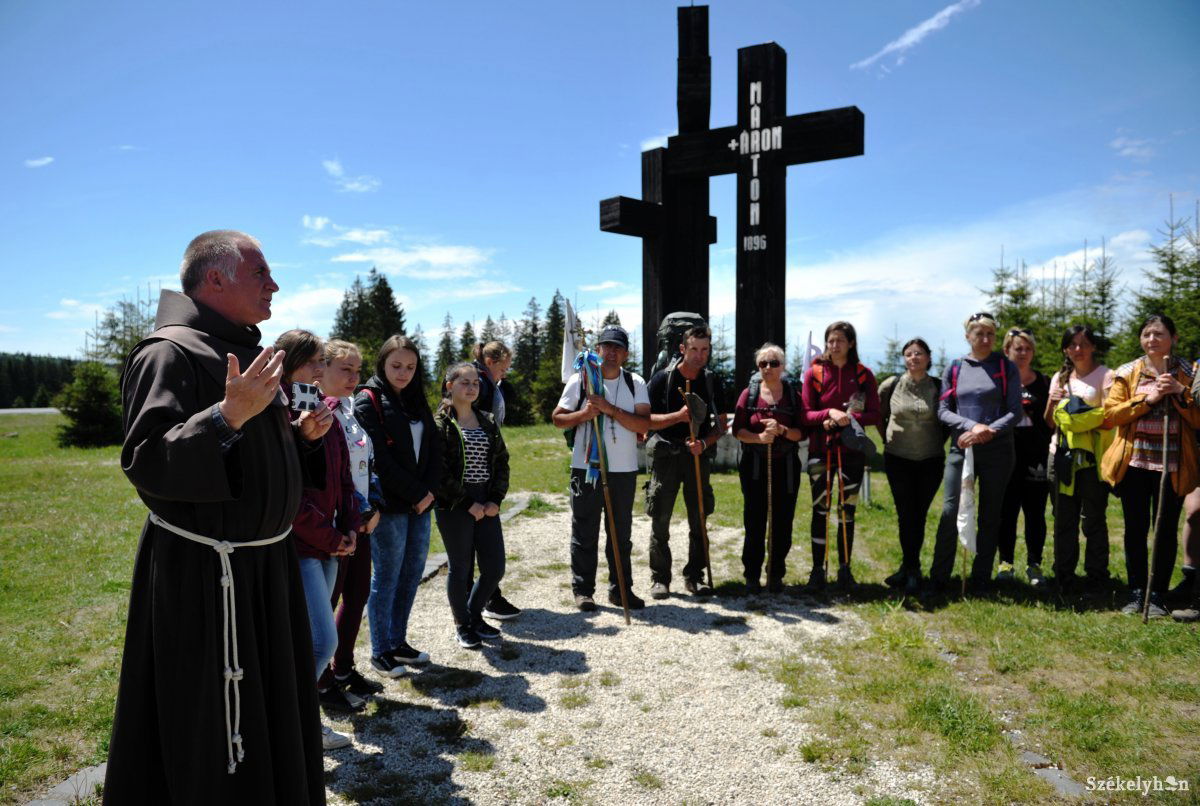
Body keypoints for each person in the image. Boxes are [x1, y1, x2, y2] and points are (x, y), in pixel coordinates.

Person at [105, 231, 331, 804]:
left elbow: (250, 460)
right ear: (215, 279)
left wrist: (299, 443)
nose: (274, 284)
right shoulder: (169, 353)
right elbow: (148, 461)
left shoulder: (245, 351)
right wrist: (227, 416)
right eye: (261, 273)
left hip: (264, 567)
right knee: (212, 728)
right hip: (209, 577)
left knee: (273, 715)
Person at [279, 330, 361, 749]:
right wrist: (331, 537)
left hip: (330, 544)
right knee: (322, 640)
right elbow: (291, 495)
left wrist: (349, 525)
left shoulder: (327, 413)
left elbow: (344, 479)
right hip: (303, 547)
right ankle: (285, 720)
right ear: (290, 363)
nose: (317, 370)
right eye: (313, 363)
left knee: (312, 639)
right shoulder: (278, 414)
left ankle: (301, 721)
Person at [1102, 314, 1200, 617]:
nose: (1152, 340)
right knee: (1135, 528)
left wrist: (1179, 393)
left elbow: (1198, 418)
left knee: (1164, 529)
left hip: (1172, 465)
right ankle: (1136, 591)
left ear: (1173, 338)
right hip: (1135, 463)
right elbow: (1112, 415)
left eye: (1159, 334)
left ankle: (1157, 594)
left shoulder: (1189, 372)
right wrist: (1149, 399)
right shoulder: (1128, 372)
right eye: (1146, 335)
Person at [355, 334, 441, 674]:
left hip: (422, 504)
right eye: (396, 366)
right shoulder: (368, 400)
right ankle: (380, 650)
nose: (403, 373)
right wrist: (417, 493)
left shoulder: (416, 399)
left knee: (411, 574)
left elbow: (435, 450)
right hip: (390, 506)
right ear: (382, 364)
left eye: (410, 366)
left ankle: (397, 641)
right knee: (387, 577)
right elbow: (380, 459)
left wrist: (429, 491)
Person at [553, 326, 651, 610]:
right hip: (586, 468)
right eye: (606, 346)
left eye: (617, 348)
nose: (611, 352)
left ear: (625, 354)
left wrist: (609, 409)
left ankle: (621, 590)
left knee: (620, 533)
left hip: (624, 469)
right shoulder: (581, 379)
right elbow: (558, 418)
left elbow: (643, 425)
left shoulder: (636, 382)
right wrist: (584, 413)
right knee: (584, 529)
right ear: (597, 350)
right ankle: (583, 591)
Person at [929, 312, 1022, 592]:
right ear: (967, 336)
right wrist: (973, 426)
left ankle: (981, 577)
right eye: (978, 333)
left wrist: (988, 430)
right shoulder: (955, 368)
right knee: (950, 510)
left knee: (990, 514)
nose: (984, 339)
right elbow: (943, 411)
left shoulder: (1006, 367)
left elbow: (1014, 412)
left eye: (990, 334)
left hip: (998, 451)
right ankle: (939, 576)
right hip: (962, 449)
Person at [317, 340, 384, 706]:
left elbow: (364, 464)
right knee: (325, 603)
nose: (354, 377)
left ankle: (343, 667)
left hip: (361, 520)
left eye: (358, 370)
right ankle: (321, 680)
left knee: (357, 595)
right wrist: (355, 514)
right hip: (335, 524)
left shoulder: (349, 408)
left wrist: (373, 507)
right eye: (346, 369)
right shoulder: (312, 410)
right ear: (321, 369)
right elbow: (330, 473)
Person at [644, 325, 728, 598]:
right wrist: (678, 418)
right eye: (694, 349)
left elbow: (722, 426)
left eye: (704, 349)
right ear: (682, 349)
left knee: (699, 518)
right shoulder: (661, 380)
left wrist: (704, 443)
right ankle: (660, 578)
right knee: (661, 519)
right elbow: (645, 422)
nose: (699, 355)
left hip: (697, 458)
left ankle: (695, 576)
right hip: (666, 456)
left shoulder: (713, 381)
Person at [434, 362, 510, 648]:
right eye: (464, 382)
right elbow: (439, 473)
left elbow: (502, 461)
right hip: (454, 506)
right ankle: (462, 624)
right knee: (461, 567)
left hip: (486, 502)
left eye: (475, 383)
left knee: (494, 567)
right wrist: (467, 503)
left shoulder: (487, 421)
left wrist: (495, 499)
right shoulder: (440, 424)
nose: (471, 387)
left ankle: (474, 614)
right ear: (449, 385)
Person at [801, 321, 880, 591]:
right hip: (820, 450)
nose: (834, 346)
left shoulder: (863, 374)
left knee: (847, 510)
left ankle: (844, 570)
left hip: (852, 452)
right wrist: (828, 415)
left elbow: (875, 414)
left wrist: (850, 418)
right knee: (820, 509)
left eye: (840, 341)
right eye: (830, 340)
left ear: (851, 344)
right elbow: (805, 413)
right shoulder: (814, 373)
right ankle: (816, 571)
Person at [1044, 325, 1114, 592]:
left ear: (1093, 346)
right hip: (1060, 456)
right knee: (1063, 518)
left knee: (1093, 518)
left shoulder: (1107, 376)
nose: (1078, 349)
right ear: (1065, 349)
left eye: (1084, 344)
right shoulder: (1060, 378)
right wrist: (1053, 403)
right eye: (1072, 345)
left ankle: (1097, 576)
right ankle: (1063, 575)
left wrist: (1078, 419)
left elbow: (1110, 418)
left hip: (1092, 459)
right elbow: (1050, 423)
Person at [732, 343, 804, 593]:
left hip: (786, 467)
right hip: (754, 465)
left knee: (782, 522)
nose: (768, 368)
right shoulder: (748, 394)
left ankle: (775, 573)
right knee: (754, 521)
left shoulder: (793, 395)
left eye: (774, 363)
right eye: (763, 363)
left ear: (783, 367)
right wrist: (759, 438)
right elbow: (737, 431)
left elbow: (801, 433)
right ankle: (751, 575)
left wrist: (782, 430)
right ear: (758, 367)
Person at [878, 338, 945, 596]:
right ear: (904, 358)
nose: (914, 358)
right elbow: (879, 414)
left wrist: (937, 441)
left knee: (919, 513)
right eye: (909, 354)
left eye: (919, 354)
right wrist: (887, 439)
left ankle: (910, 568)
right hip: (898, 458)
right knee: (905, 513)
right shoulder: (891, 385)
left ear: (928, 358)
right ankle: (911, 568)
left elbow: (946, 421)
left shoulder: (939, 386)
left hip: (930, 460)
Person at [996, 328, 1052, 586]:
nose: (1023, 353)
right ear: (1007, 350)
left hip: (1036, 453)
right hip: (1005, 451)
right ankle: (1005, 563)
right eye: (1018, 348)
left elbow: (1052, 420)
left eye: (1028, 349)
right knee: (1006, 511)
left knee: (1035, 512)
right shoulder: (1000, 382)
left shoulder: (1045, 382)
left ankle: (1034, 564)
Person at [471, 340, 522, 622]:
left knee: (481, 538)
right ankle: (486, 597)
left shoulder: (488, 382)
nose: (505, 373)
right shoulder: (479, 381)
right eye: (503, 367)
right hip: (479, 467)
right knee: (479, 540)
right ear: (491, 362)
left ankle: (486, 594)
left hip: (488, 461)